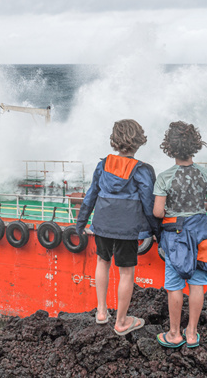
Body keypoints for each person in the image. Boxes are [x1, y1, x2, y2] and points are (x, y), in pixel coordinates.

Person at [75, 119, 160, 336]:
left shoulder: (103, 165)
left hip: (102, 223)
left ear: (114, 140)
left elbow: (90, 195)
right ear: (139, 141)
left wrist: (81, 223)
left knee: (102, 262)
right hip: (127, 227)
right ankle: (122, 321)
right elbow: (149, 205)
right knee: (126, 272)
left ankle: (102, 312)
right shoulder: (142, 170)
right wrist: (157, 231)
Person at [152, 121, 207, 349]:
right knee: (197, 283)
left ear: (170, 148)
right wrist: (201, 208)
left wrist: (172, 211)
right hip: (202, 233)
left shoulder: (165, 177)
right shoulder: (206, 174)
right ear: (195, 146)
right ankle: (192, 333)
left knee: (174, 285)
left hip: (176, 236)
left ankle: (174, 333)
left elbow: (157, 211)